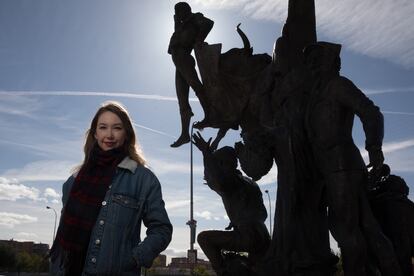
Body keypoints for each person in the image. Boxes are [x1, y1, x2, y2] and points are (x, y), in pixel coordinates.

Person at [303, 42, 402, 276]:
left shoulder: (338, 85)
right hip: (330, 170)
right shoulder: (317, 92)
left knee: (346, 230)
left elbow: (371, 112)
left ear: (332, 62)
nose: (313, 63)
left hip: (342, 167)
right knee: (365, 228)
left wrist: (374, 147)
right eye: (312, 59)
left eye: (318, 58)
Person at [50, 101, 172, 275]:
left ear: (126, 134)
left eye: (117, 128)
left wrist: (134, 259)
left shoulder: (143, 179)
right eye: (103, 127)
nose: (109, 135)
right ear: (95, 133)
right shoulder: (73, 181)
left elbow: (161, 229)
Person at [192, 132, 270, 275]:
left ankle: (223, 273)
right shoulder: (250, 183)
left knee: (204, 238)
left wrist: (206, 154)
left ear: (222, 164)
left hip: (248, 235)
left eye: (218, 165)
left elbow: (219, 183)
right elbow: (262, 213)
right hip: (263, 235)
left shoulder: (230, 181)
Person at [168, 2, 214, 147]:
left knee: (196, 85)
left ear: (186, 10)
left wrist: (199, 39)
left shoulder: (195, 18)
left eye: (179, 11)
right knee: (182, 98)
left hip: (184, 57)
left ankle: (210, 115)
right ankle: (184, 134)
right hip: (177, 61)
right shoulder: (181, 25)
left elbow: (209, 23)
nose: (177, 14)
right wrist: (176, 22)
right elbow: (178, 35)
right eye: (176, 12)